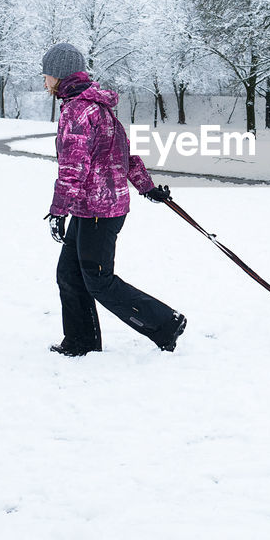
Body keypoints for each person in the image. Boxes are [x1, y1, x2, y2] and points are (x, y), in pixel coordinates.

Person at [40, 42, 185, 357]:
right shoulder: (95, 105)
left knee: (99, 281)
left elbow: (72, 168)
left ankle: (165, 324)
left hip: (97, 211)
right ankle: (81, 340)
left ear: (60, 74)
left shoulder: (78, 110)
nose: (44, 78)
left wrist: (58, 211)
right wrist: (146, 187)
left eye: (47, 72)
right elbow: (123, 153)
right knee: (69, 273)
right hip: (93, 208)